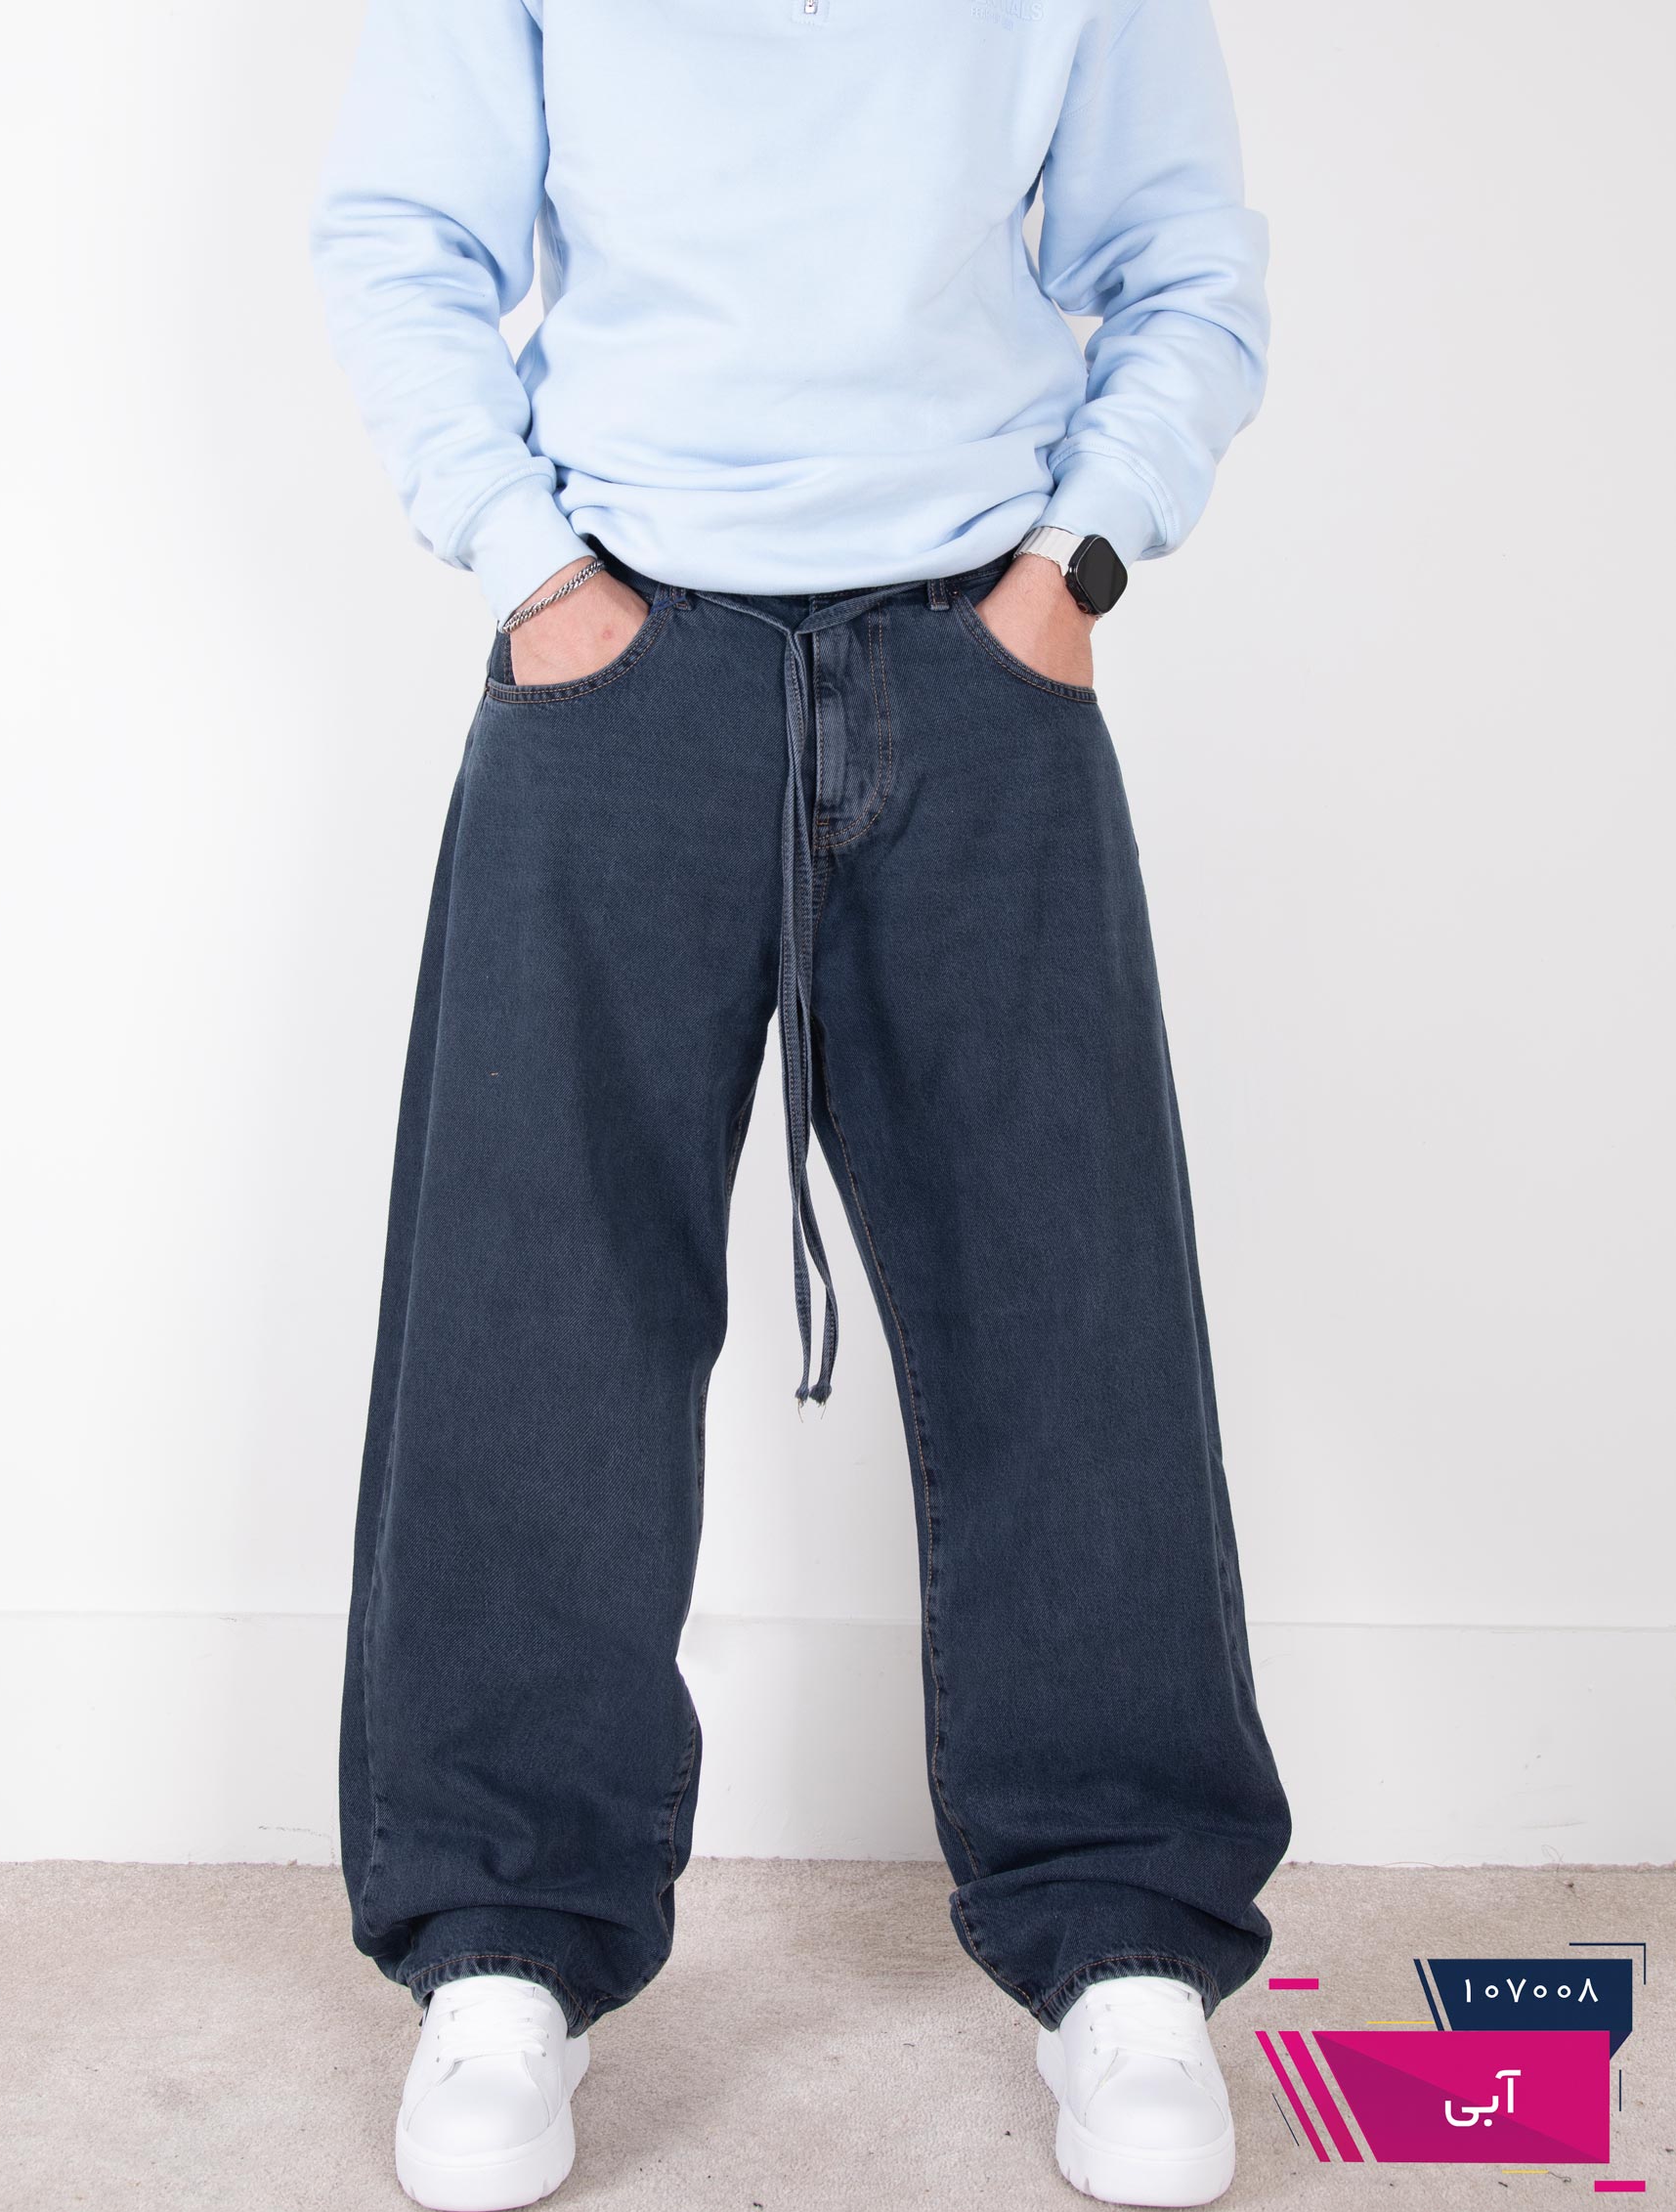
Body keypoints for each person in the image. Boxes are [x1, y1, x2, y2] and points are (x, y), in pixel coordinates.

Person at [312, 2, 1291, 2204]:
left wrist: (1077, 564)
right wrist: (525, 565)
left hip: (976, 652)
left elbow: (1181, 255)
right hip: (616, 655)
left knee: (1070, 1313)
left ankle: (1127, 1942)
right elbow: (401, 238)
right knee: (531, 1320)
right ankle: (502, 1945)